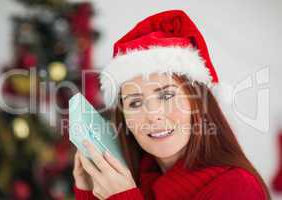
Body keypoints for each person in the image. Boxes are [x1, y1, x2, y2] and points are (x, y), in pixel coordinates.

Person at [72, 10, 270, 200]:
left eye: (167, 96)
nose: (153, 115)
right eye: (135, 102)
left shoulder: (237, 188)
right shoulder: (133, 180)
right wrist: (91, 193)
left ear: (197, 103)